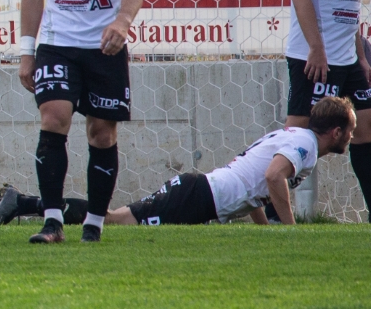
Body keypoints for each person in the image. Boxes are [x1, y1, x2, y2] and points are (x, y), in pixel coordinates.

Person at [17, 0, 152, 244]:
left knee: (101, 134)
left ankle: (94, 222)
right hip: (57, 44)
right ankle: (53, 221)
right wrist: (27, 51)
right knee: (54, 117)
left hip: (105, 47)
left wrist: (122, 22)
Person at [107, 97, 354, 226]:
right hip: (199, 196)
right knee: (119, 221)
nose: (352, 136)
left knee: (119, 218)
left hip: (199, 191)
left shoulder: (297, 137)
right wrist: (291, 230)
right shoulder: (307, 145)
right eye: (350, 130)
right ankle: (70, 211)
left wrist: (265, 229)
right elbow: (272, 176)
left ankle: (77, 213)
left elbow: (255, 188)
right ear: (335, 132)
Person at [283, 0, 371, 212]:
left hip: (348, 60)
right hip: (314, 59)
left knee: (365, 129)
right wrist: (316, 49)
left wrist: (361, 58)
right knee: (300, 135)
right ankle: (272, 207)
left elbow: (349, 11)